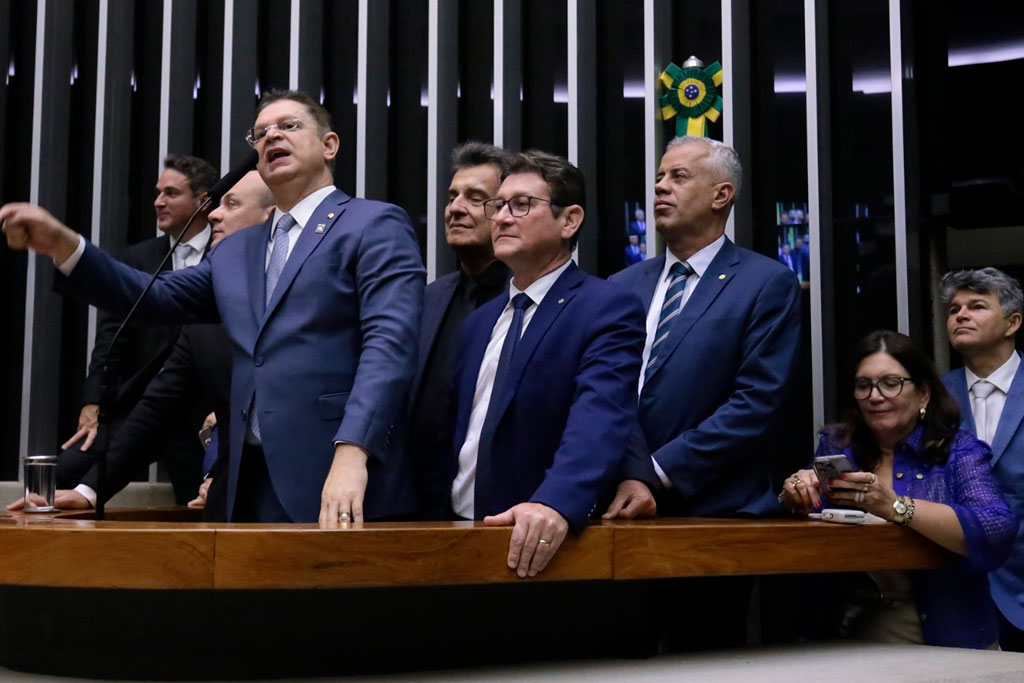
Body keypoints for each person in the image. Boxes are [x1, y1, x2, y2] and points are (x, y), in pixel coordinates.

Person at [1, 90, 425, 524]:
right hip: (246, 485)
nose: (271, 136)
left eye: (289, 126)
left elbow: (389, 346)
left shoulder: (373, 223)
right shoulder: (236, 250)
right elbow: (154, 296)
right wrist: (65, 246)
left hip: (341, 475)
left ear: (329, 145)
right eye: (260, 134)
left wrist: (353, 453)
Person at [602, 136, 800, 650]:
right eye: (660, 178)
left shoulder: (765, 282)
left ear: (722, 195)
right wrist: (626, 470)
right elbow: (601, 393)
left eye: (678, 177)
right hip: (613, 511)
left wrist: (655, 475)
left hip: (713, 515)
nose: (660, 187)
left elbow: (756, 404)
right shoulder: (621, 286)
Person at [7, 171, 275, 520]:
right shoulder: (207, 311)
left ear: (269, 219)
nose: (213, 214)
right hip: (234, 506)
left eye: (231, 204)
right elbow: (156, 411)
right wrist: (89, 492)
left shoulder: (314, 283)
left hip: (325, 495)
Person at [427, 150, 646, 578]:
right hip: (458, 534)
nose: (503, 218)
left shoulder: (605, 307)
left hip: (543, 543)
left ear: (570, 220)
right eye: (499, 206)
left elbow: (600, 418)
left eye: (522, 205)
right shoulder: (479, 322)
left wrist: (555, 502)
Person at [780, 330, 1017, 649]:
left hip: (947, 637)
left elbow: (997, 529)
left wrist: (897, 507)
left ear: (923, 394)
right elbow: (811, 531)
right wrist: (794, 495)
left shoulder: (958, 452)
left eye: (891, 383)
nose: (875, 396)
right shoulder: (838, 446)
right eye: (864, 386)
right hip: (840, 638)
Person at [57, 154, 218, 504]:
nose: (158, 202)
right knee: (65, 471)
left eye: (171, 193)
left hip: (199, 413)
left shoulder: (227, 250)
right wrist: (93, 402)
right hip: (140, 405)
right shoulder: (139, 257)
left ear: (203, 200)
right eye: (158, 193)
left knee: (204, 504)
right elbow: (112, 336)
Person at [410, 142, 511, 511]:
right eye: (452, 196)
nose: (455, 208)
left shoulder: (532, 300)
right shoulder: (428, 299)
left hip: (503, 510)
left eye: (475, 197)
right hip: (418, 508)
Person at [939, 267, 1024, 651]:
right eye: (954, 309)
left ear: (1012, 322)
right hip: (956, 591)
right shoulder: (930, 396)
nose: (960, 315)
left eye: (976, 306)